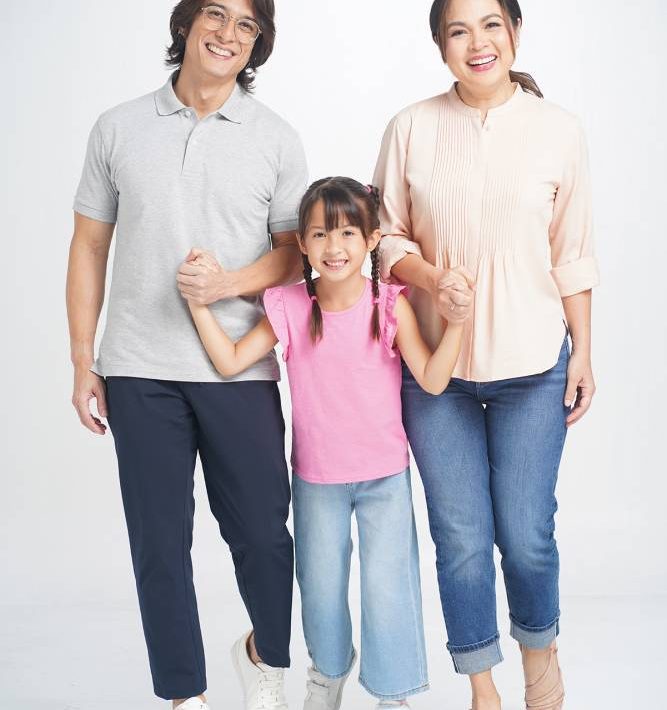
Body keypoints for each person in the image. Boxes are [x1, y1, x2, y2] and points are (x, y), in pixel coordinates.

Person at [66, 2, 308, 709]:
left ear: (258, 43)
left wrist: (226, 284)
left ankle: (264, 655)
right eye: (216, 14)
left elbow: (295, 257)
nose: (229, 34)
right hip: (138, 367)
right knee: (159, 545)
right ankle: (183, 696)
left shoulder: (276, 138)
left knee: (263, 534)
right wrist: (83, 360)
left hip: (239, 366)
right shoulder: (118, 128)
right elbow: (89, 247)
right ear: (185, 24)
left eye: (247, 25)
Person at [372, 1, 600, 709]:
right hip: (435, 375)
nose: (477, 42)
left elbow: (572, 252)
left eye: (491, 25)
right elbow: (384, 238)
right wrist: (431, 277)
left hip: (534, 368)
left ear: (515, 33)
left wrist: (584, 350)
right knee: (461, 537)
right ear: (440, 45)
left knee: (526, 535)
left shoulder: (559, 130)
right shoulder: (410, 127)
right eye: (458, 30)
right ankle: (481, 686)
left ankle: (539, 653)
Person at [184, 177, 472, 709]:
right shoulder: (289, 304)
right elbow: (229, 360)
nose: (333, 247)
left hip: (385, 478)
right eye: (319, 234)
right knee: (319, 593)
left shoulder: (390, 304)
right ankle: (327, 676)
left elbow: (432, 380)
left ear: (372, 239)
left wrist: (455, 324)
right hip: (317, 481)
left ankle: (393, 695)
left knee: (389, 590)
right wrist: (200, 304)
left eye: (346, 233)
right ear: (302, 242)